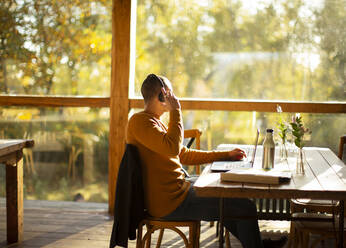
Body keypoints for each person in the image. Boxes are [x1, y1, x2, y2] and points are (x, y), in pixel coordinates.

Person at [126, 74, 287, 248]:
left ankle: (255, 245)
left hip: (179, 189)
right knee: (245, 207)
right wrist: (176, 111)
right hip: (170, 202)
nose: (174, 97)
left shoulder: (154, 122)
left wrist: (225, 155)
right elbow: (172, 148)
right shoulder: (139, 122)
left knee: (229, 193)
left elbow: (183, 154)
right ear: (162, 95)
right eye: (171, 93)